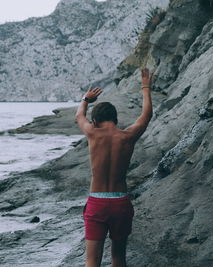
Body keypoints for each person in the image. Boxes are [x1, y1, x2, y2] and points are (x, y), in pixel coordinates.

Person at [75, 68, 153, 267]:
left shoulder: (93, 133)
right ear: (115, 120)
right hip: (120, 203)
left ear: (95, 120)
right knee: (119, 258)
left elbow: (78, 117)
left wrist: (86, 99)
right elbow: (146, 115)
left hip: (96, 203)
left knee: (92, 262)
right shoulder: (127, 137)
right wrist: (145, 87)